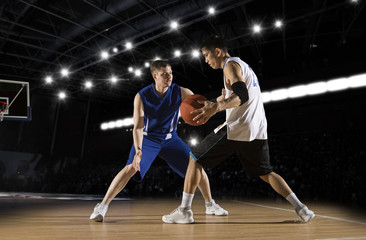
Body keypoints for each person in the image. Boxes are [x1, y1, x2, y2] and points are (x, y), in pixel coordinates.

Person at [162, 36, 315, 224]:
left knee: (194, 158)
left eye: (206, 55)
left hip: (238, 127)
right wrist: (214, 104)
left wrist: (216, 108)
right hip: (257, 128)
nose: (206, 60)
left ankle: (185, 210)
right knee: (266, 172)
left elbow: (242, 95)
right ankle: (302, 209)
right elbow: (232, 97)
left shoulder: (230, 65)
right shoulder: (242, 66)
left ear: (218, 51)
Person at [90, 60, 228, 222]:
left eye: (170, 73)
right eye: (164, 74)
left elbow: (202, 105)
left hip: (171, 139)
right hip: (148, 139)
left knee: (197, 167)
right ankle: (102, 206)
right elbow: (138, 127)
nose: (169, 77)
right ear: (155, 76)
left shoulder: (181, 91)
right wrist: (139, 150)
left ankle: (210, 204)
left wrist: (219, 101)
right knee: (131, 168)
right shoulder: (141, 96)